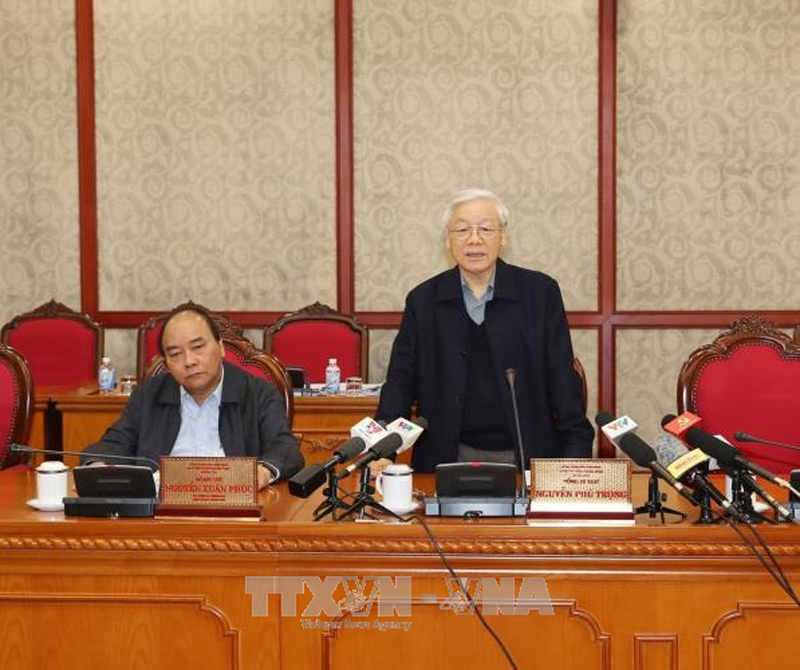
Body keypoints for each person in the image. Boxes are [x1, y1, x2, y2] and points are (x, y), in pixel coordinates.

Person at [375, 188, 594, 472]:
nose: (474, 239)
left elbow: (563, 381)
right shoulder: (424, 299)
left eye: (486, 229)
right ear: (447, 239)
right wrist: (383, 451)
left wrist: (575, 457)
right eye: (462, 230)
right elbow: (400, 382)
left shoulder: (540, 293)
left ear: (503, 237)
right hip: (446, 457)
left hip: (528, 454)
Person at [82, 306, 303, 489]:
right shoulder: (149, 395)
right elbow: (114, 444)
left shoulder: (258, 393)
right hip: (160, 513)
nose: (189, 361)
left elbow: (285, 448)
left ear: (221, 347)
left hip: (234, 510)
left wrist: (261, 473)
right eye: (175, 354)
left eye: (198, 347)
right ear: (167, 363)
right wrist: (98, 465)